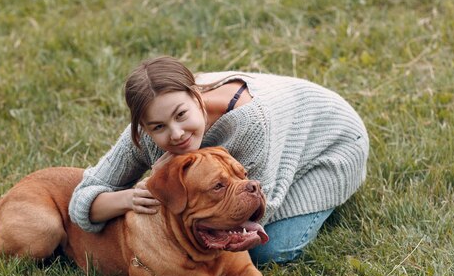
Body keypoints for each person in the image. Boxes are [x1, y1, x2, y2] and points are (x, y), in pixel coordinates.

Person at [68, 56, 369, 265]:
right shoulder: (149, 127)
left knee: (269, 249)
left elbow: (257, 211)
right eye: (158, 127)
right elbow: (82, 199)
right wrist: (128, 197)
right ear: (143, 126)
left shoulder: (250, 125)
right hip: (289, 130)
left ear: (197, 97)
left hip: (333, 143)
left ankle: (322, 202)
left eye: (182, 115)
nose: (176, 135)